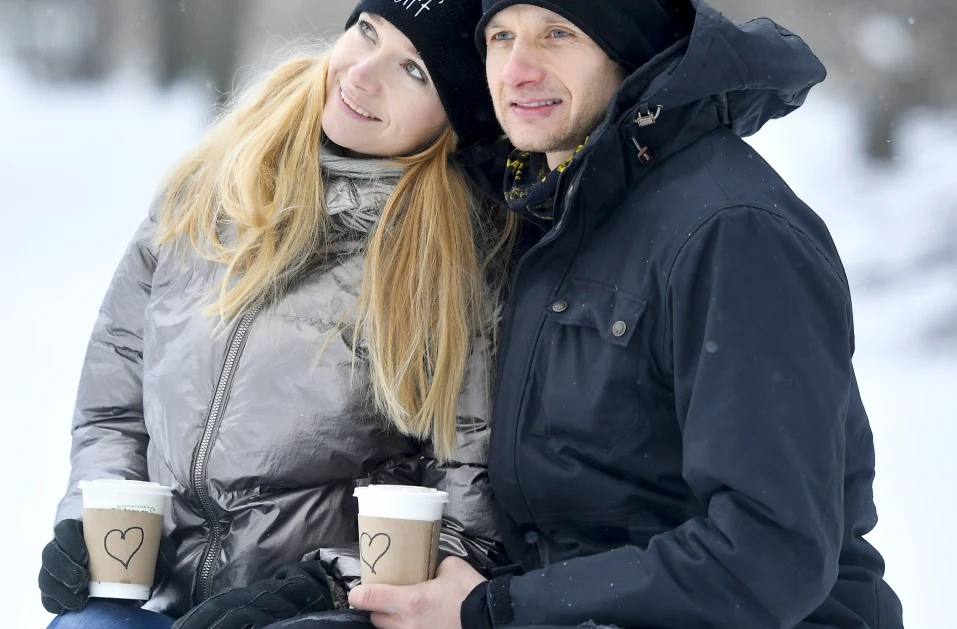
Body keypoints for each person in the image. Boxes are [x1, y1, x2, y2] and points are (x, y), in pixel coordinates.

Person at [347, 1, 906, 628]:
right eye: (501, 37)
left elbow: (771, 553)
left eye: (557, 34)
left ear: (629, 53)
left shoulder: (731, 232)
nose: (516, 71)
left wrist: (497, 612)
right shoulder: (553, 215)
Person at [37, 1, 513, 628]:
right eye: (365, 33)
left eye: (414, 71)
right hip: (151, 596)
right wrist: (83, 520)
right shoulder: (211, 185)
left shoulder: (456, 260)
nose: (361, 76)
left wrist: (325, 587)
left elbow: (464, 509)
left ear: (458, 113)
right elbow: (113, 412)